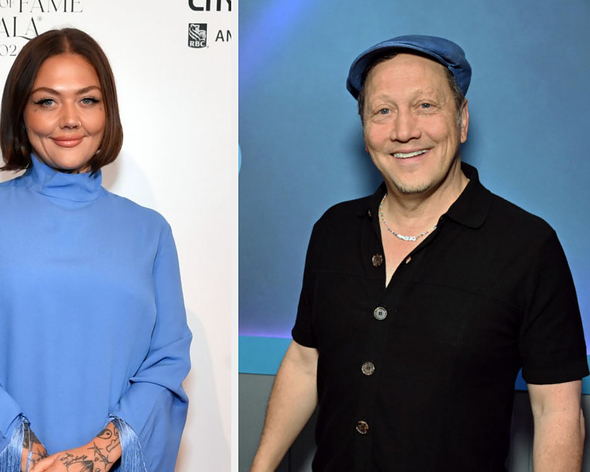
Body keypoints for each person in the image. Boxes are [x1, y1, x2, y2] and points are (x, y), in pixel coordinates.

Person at [250, 35, 588, 471]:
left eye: (425, 106)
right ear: (365, 131)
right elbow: (304, 360)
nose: (404, 130)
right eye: (383, 111)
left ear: (462, 119)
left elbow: (557, 410)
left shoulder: (528, 246)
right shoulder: (333, 230)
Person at [0, 28, 191, 472]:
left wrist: (95, 455)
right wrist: (26, 454)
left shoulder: (151, 231)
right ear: (21, 112)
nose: (69, 119)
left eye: (88, 100)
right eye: (47, 101)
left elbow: (168, 357)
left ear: (108, 112)